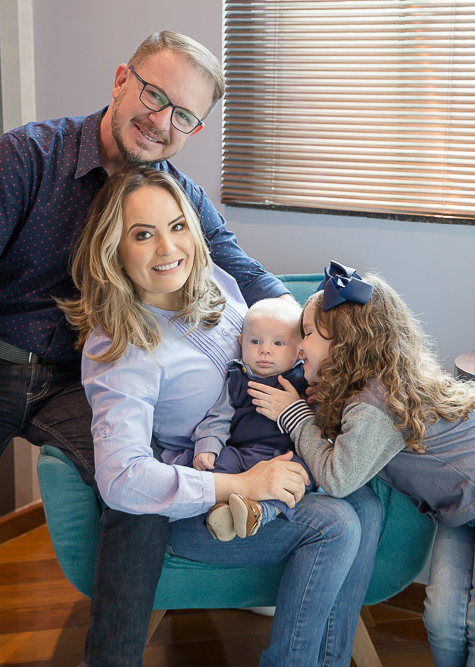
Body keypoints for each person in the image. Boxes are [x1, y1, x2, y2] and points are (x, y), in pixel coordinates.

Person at [0, 30, 299, 665]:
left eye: (183, 114)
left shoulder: (179, 196)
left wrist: (322, 332)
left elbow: (246, 271)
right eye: (154, 95)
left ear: (195, 129)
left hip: (84, 376)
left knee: (139, 499)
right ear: (121, 78)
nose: (160, 121)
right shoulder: (24, 157)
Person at [60, 168, 382, 666]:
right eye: (143, 235)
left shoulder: (213, 284)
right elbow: (121, 480)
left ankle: (329, 660)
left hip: (272, 454)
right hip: (201, 499)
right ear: (113, 251)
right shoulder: (120, 349)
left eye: (177, 226)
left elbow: (277, 338)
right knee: (335, 523)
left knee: (365, 504)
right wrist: (244, 486)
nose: (168, 249)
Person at [250, 262, 475, 667]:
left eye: (307, 334)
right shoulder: (358, 388)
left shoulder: (375, 402)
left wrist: (296, 416)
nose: (299, 345)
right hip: (460, 506)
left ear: (344, 342)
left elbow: (339, 478)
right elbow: (350, 447)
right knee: (442, 618)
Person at [191, 298, 315, 540]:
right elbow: (218, 416)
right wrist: (207, 446)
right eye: (255, 341)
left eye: (278, 343)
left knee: (301, 473)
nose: (264, 350)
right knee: (221, 463)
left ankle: (259, 512)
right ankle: (220, 512)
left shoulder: (303, 380)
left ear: (299, 350)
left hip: (283, 455)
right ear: (241, 342)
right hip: (241, 451)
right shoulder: (237, 377)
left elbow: (316, 422)